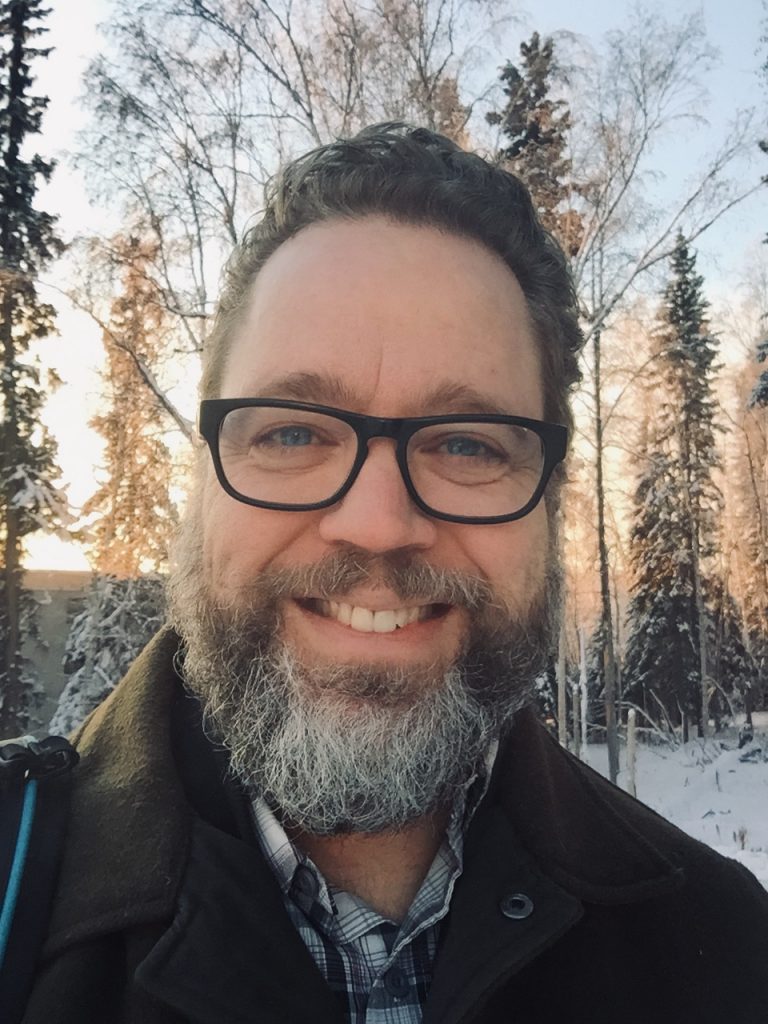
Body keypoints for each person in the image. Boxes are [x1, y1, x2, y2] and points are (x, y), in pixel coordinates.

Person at [25, 124, 768, 1023]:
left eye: (467, 445)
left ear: (550, 499)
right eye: (292, 432)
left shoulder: (723, 951)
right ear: (204, 474)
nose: (378, 525)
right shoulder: (19, 907)